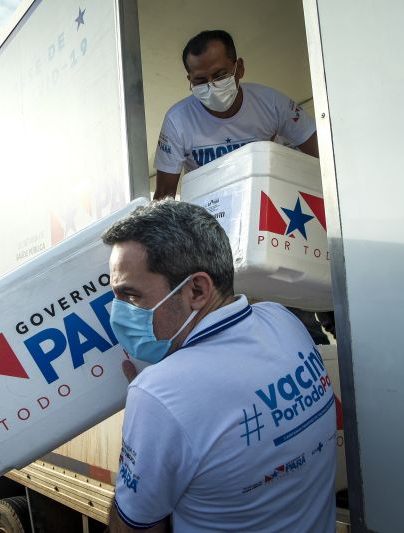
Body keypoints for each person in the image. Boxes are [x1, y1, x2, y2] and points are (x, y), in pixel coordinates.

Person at [102, 200, 336, 532]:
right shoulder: (282, 320)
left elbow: (132, 527)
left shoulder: (160, 394)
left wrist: (156, 401)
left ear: (196, 289)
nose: (118, 312)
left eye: (130, 296)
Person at [153, 29, 319, 200]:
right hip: (209, 211)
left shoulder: (272, 103)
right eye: (201, 80)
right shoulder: (177, 120)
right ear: (190, 80)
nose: (212, 86)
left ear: (239, 68)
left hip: (267, 202)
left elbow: (323, 156)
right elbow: (164, 196)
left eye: (220, 75)